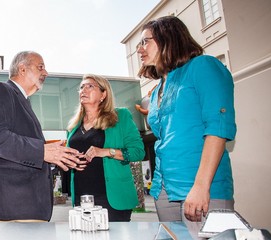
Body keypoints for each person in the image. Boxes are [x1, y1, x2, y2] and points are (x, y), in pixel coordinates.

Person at [137, 16, 236, 222]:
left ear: (168, 38)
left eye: (145, 41)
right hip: (163, 190)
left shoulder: (203, 66)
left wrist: (201, 186)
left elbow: (218, 127)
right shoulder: (156, 93)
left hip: (200, 187)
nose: (140, 49)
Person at [0, 51, 85, 221]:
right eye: (40, 67)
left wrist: (54, 155)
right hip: (15, 205)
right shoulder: (0, 90)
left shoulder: (23, 100)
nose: (46, 73)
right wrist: (42, 152)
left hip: (28, 206)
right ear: (22, 69)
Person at [66, 74, 145, 222]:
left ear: (103, 94)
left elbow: (138, 152)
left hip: (111, 199)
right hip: (81, 198)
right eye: (81, 87)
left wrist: (106, 152)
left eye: (90, 86)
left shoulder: (120, 117)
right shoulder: (72, 127)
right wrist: (68, 161)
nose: (84, 90)